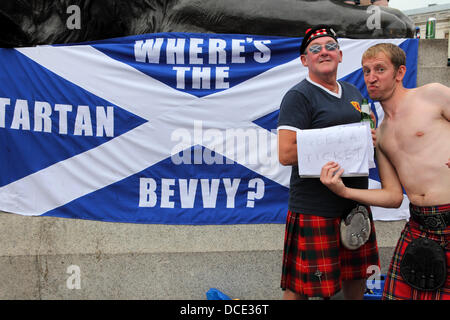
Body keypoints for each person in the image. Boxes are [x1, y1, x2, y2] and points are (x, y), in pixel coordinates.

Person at [320, 43, 450, 300]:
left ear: (400, 73)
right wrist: (344, 191)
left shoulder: (432, 95)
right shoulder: (382, 136)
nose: (371, 77)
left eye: (380, 69)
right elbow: (393, 197)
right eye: (366, 71)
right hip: (419, 225)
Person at [277, 25, 380, 300]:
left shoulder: (354, 93)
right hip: (316, 207)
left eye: (330, 47)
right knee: (301, 288)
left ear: (340, 55)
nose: (324, 52)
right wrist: (345, 141)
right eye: (315, 49)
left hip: (355, 203)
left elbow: (367, 138)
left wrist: (370, 138)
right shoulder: (298, 96)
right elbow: (286, 153)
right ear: (304, 60)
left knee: (357, 277)